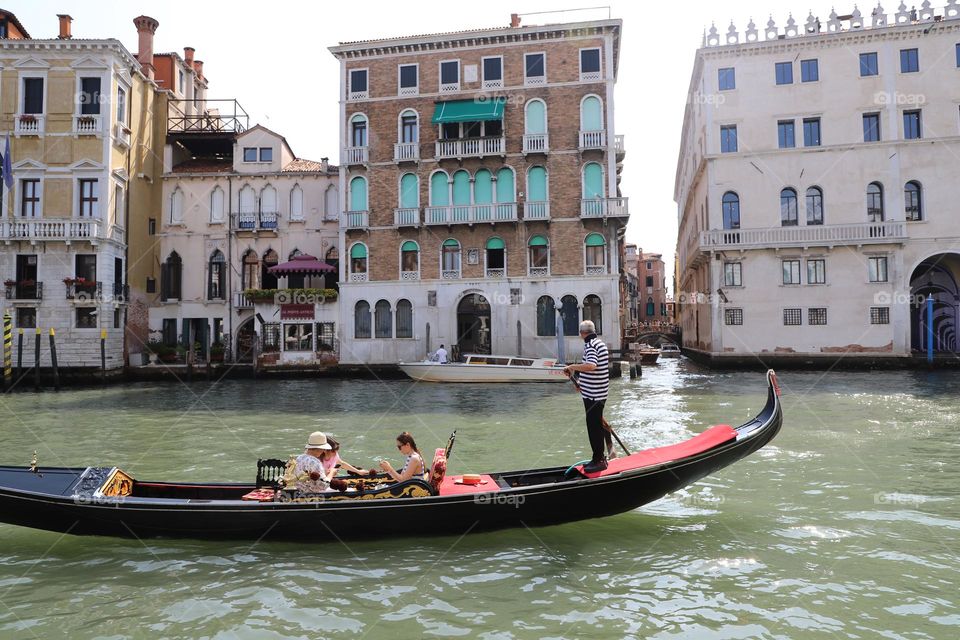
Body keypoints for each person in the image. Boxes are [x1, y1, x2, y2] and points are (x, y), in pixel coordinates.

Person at [563, 320, 610, 473]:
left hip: (594, 395)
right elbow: (595, 369)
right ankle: (597, 457)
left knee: (593, 427)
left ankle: (599, 460)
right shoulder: (600, 343)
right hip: (598, 392)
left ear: (582, 333)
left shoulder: (590, 345)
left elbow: (591, 365)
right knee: (595, 424)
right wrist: (580, 382)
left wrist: (571, 367)